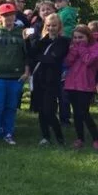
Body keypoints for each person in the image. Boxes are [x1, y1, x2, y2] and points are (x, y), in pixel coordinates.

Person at [0, 3, 30, 146]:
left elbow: (28, 54)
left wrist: (27, 72)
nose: (9, 17)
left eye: (11, 15)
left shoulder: (22, 32)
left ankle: (8, 133)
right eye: (5, 15)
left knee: (11, 106)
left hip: (16, 77)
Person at [27, 14, 69, 145]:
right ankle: (45, 136)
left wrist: (39, 57)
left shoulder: (63, 41)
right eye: (49, 25)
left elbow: (54, 59)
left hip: (52, 80)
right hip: (39, 78)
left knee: (49, 110)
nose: (51, 28)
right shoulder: (42, 40)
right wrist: (27, 40)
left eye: (54, 25)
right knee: (40, 109)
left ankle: (59, 137)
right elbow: (31, 54)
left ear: (59, 26)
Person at [64, 25, 98, 150]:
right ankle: (80, 138)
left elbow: (88, 60)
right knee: (76, 113)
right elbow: (67, 62)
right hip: (72, 84)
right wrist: (73, 51)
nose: (78, 40)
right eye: (76, 38)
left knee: (84, 113)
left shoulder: (95, 47)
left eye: (81, 37)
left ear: (88, 36)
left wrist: (82, 48)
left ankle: (95, 137)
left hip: (86, 85)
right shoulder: (75, 47)